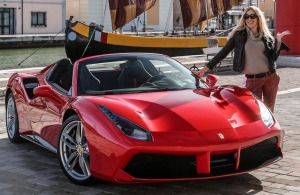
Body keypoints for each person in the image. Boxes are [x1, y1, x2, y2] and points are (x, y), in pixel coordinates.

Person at [198, 6, 291, 113]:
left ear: (258, 18)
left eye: (253, 16)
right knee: (254, 112)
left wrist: (278, 41)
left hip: (271, 77)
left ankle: (270, 130)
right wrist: (204, 70)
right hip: (253, 80)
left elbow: (273, 57)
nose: (249, 19)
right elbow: (223, 53)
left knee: (269, 111)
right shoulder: (239, 35)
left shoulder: (265, 36)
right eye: (247, 16)